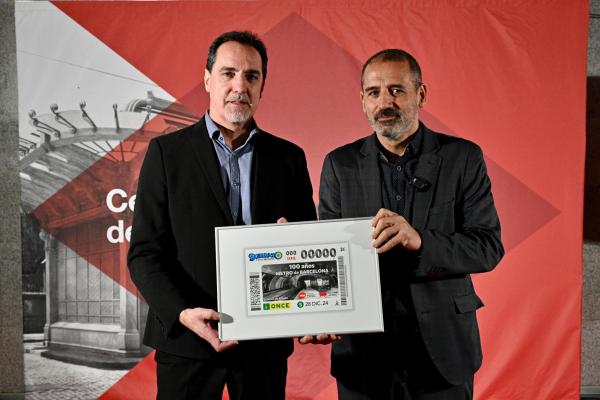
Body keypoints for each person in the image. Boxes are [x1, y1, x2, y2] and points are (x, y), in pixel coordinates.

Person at [127, 31, 317, 400]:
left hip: (264, 345)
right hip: (187, 343)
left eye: (251, 76)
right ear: (207, 78)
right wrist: (183, 313)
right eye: (228, 73)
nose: (239, 86)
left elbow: (306, 250)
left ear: (263, 84)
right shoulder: (167, 154)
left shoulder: (288, 158)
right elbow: (144, 254)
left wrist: (311, 307)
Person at [318, 49, 504, 399]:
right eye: (374, 92)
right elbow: (331, 260)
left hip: (443, 351)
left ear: (421, 94)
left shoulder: (463, 158)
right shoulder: (339, 164)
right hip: (364, 356)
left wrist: (420, 241)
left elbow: (487, 248)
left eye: (396, 90)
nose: (384, 102)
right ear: (362, 100)